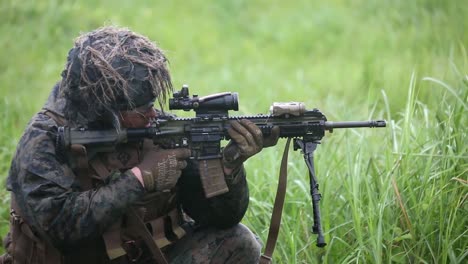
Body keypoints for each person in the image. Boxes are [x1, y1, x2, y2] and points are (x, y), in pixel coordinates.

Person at [0, 26, 279, 264]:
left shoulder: (155, 126)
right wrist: (139, 179)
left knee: (239, 242)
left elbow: (220, 218)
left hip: (149, 253)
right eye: (142, 108)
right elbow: (61, 228)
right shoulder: (43, 142)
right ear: (107, 109)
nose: (153, 114)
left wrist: (229, 165)